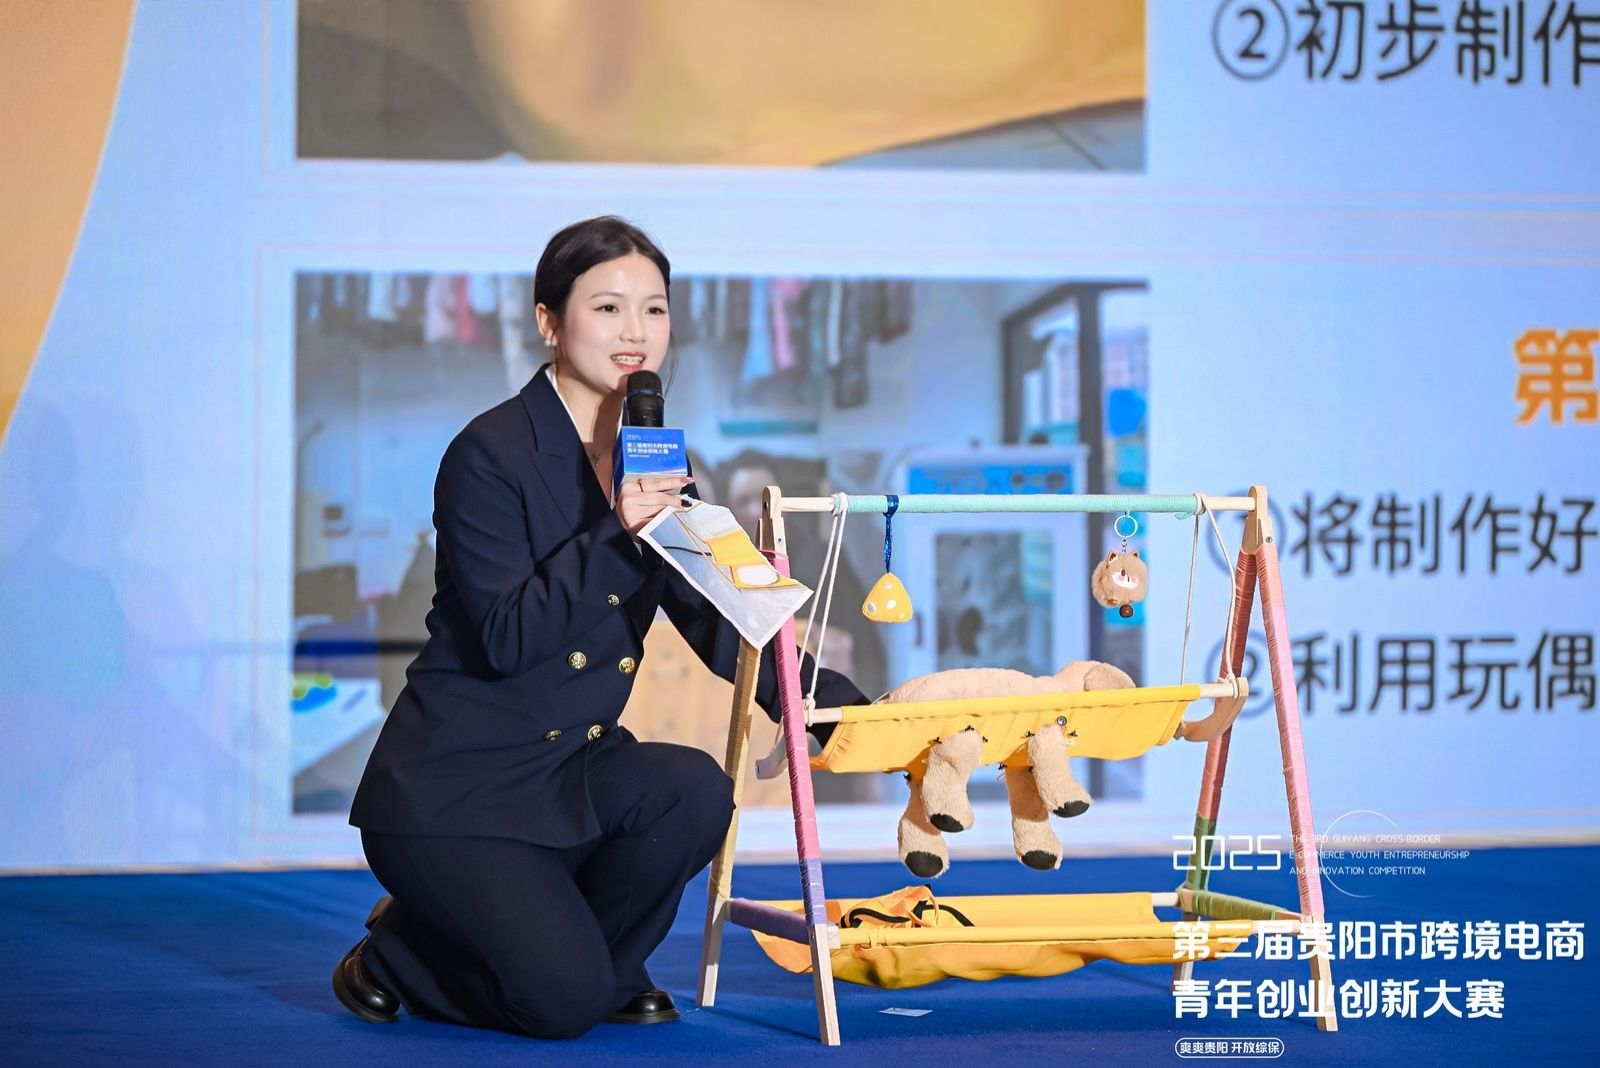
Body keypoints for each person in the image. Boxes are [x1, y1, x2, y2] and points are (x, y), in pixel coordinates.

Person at [335, 216, 867, 1039]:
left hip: (565, 771)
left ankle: (606, 965)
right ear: (550, 321)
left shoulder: (652, 457)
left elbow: (716, 617)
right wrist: (619, 533)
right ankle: (400, 951)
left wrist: (826, 704)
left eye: (654, 310)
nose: (636, 333)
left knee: (693, 791)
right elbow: (508, 636)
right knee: (559, 1006)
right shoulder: (488, 454)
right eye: (609, 307)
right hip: (456, 792)